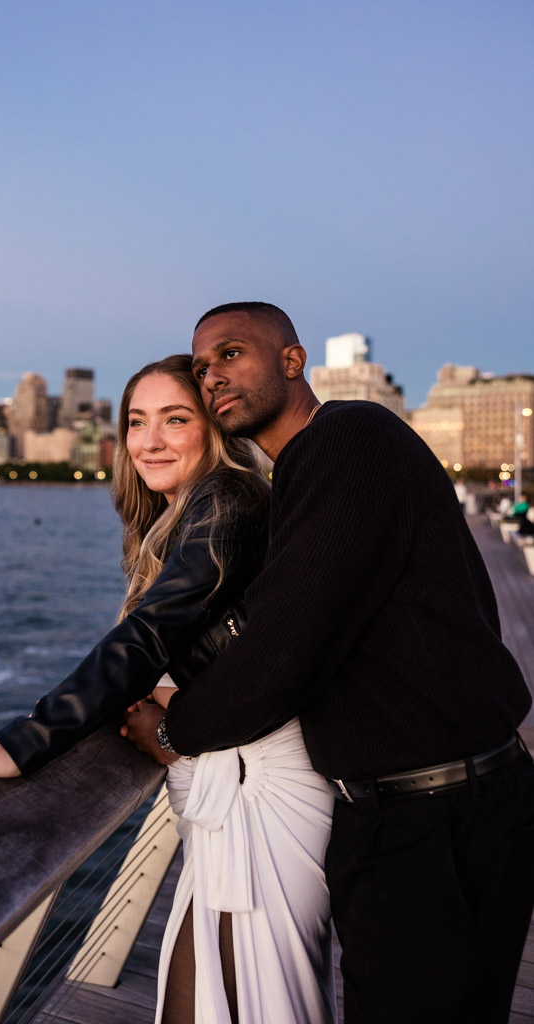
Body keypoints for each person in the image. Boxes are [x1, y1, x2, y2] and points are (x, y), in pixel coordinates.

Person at [122, 302, 534, 1024]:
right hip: (449, 804)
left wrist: (170, 730)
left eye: (231, 354)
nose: (212, 375)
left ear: (292, 360)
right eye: (201, 365)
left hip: (432, 823)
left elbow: (281, 651)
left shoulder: (344, 439)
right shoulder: (325, 466)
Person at [0, 354, 336, 1024]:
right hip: (226, 780)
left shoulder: (228, 500)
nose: (149, 440)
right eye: (136, 421)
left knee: (249, 999)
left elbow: (148, 638)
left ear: (212, 428)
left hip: (259, 788)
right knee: (207, 995)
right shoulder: (178, 517)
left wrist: (24, 740)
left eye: (175, 419)